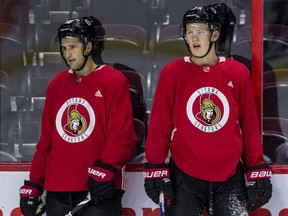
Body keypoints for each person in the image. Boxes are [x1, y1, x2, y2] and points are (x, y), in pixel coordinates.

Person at [143, 4, 272, 216]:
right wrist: (155, 167)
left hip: (230, 175)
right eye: (190, 31)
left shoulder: (237, 73)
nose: (194, 37)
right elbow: (160, 125)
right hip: (184, 176)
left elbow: (249, 124)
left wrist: (255, 168)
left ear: (214, 34)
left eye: (200, 31)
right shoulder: (172, 73)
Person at [19, 16, 135, 216]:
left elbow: (122, 136)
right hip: (58, 192)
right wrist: (35, 183)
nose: (68, 54)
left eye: (72, 46)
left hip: (98, 190)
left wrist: (106, 168)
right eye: (64, 48)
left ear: (88, 46)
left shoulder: (113, 80)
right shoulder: (57, 84)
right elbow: (47, 140)